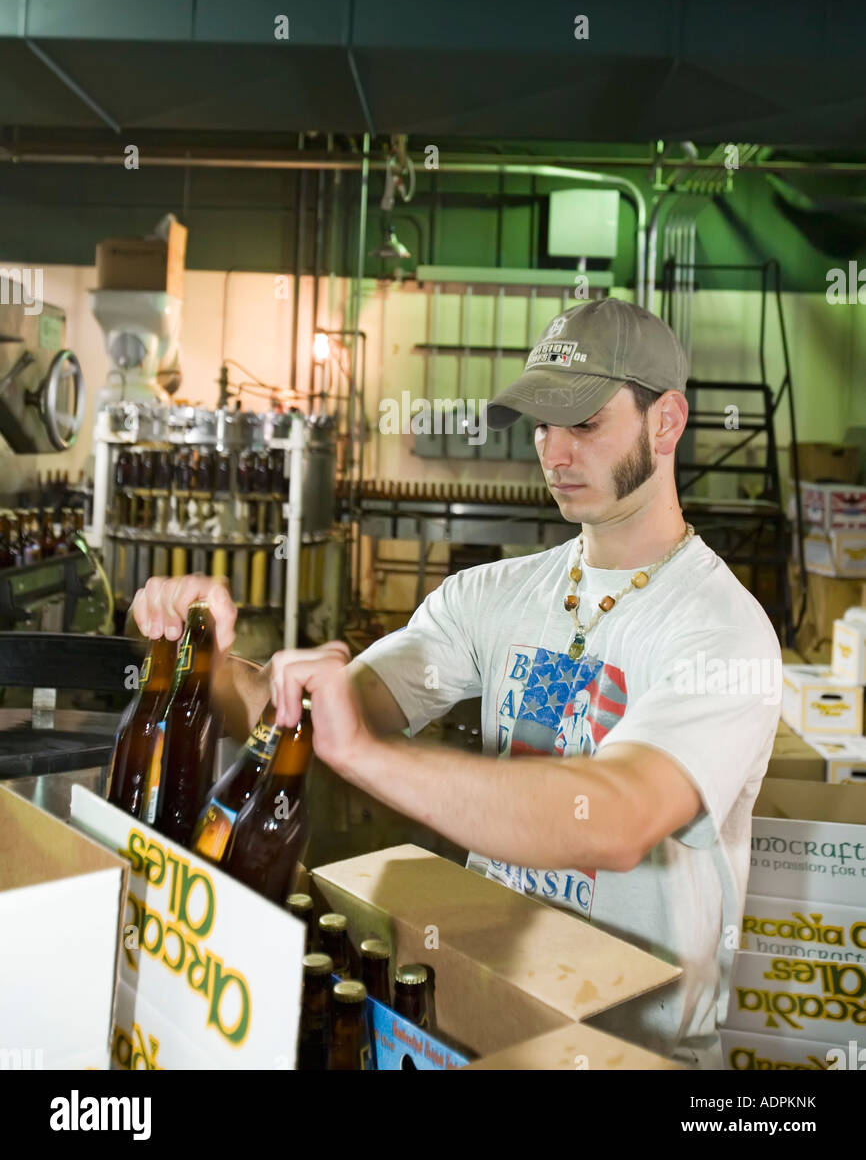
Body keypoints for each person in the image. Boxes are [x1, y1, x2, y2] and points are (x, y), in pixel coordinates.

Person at [133, 297, 782, 1070]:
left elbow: (617, 819)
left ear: (666, 422)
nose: (555, 453)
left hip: (632, 1047)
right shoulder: (494, 597)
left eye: (584, 424)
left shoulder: (719, 631)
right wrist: (193, 654)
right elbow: (310, 714)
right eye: (542, 424)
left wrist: (367, 757)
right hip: (488, 1009)